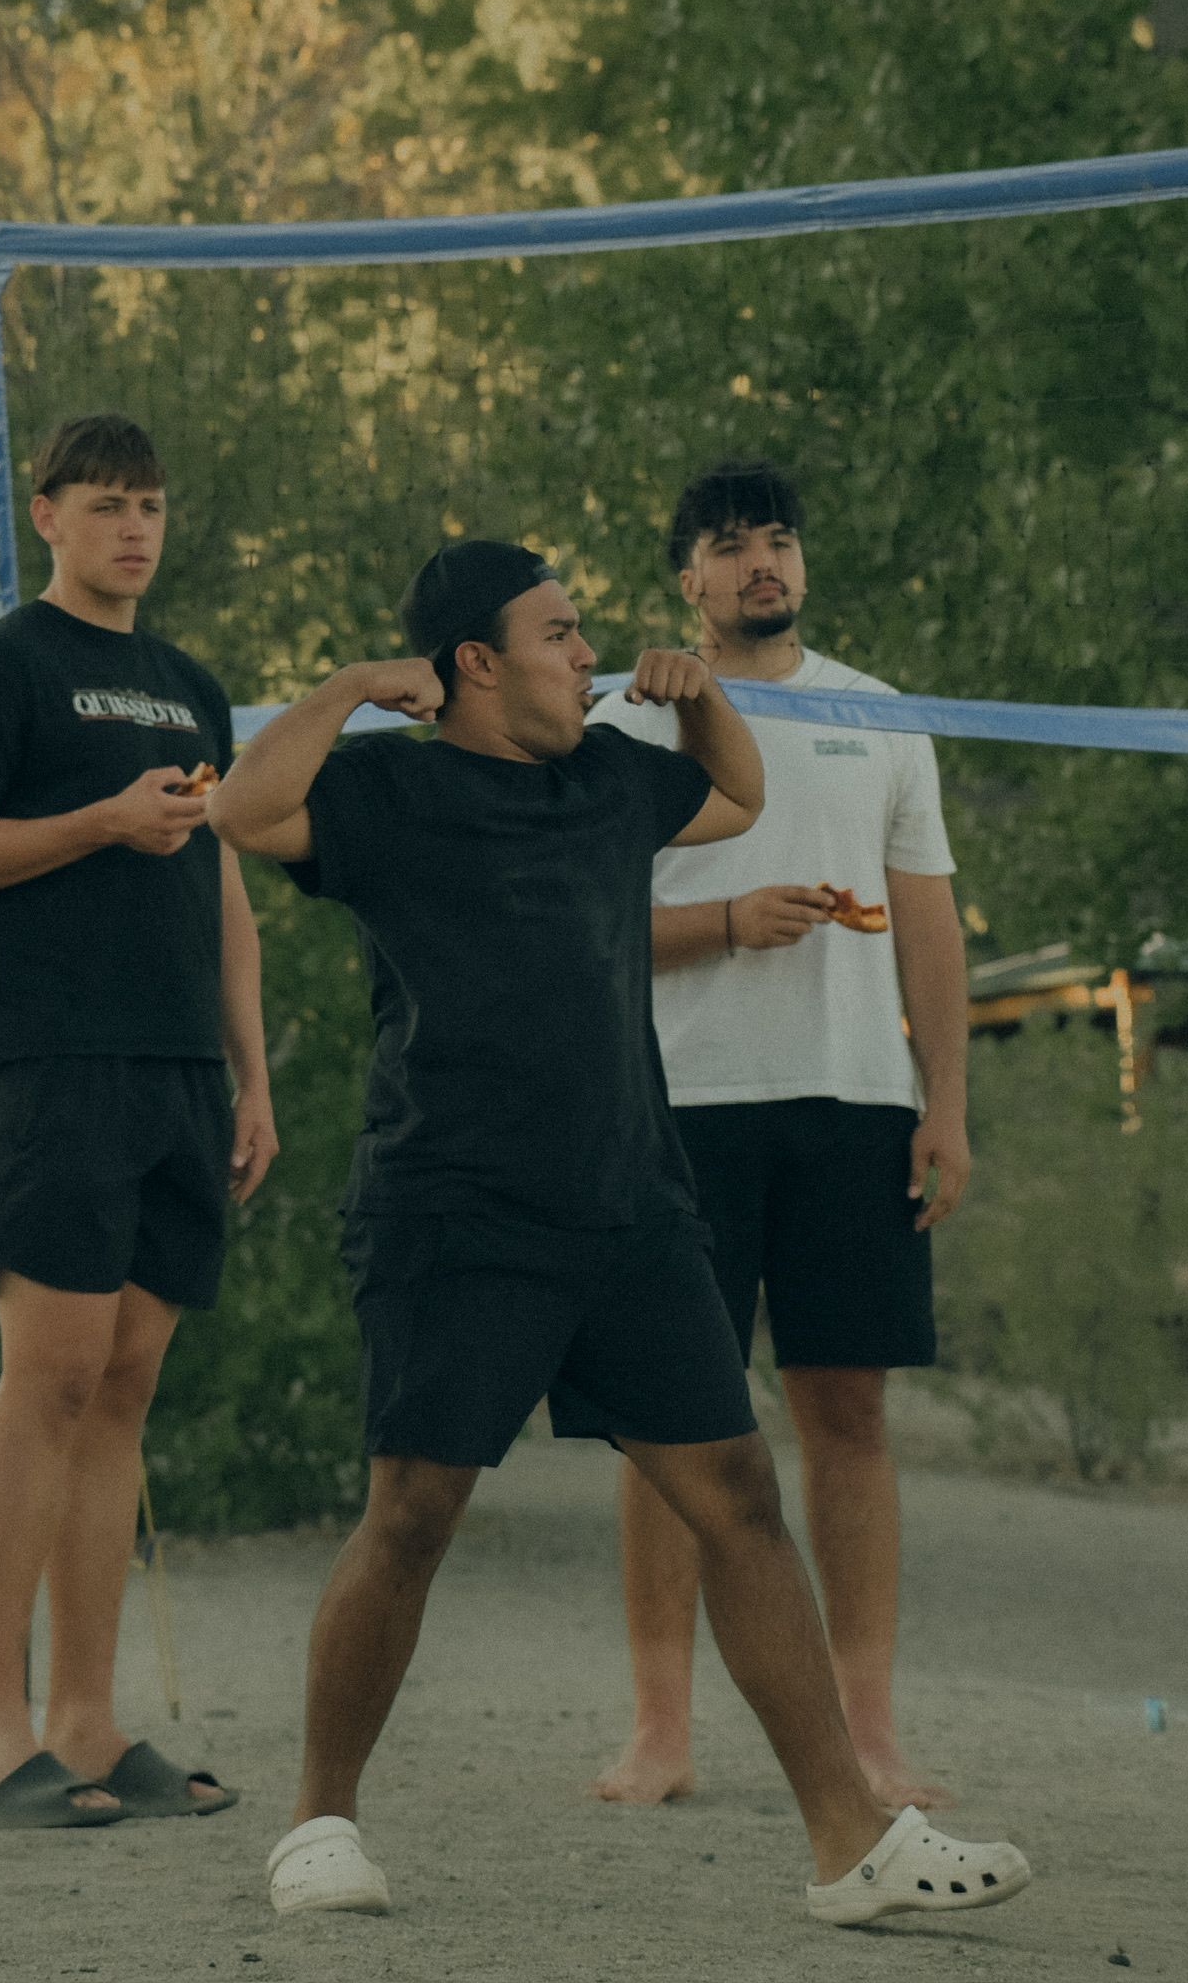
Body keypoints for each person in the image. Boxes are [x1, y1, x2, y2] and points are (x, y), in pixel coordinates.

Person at [205, 538, 1028, 1926]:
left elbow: (740, 793)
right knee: (411, 1516)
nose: (587, 653)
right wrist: (347, 688)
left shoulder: (606, 777)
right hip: (455, 1212)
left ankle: (852, 1843)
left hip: (634, 1211)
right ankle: (318, 1826)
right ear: (476, 663)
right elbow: (241, 809)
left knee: (742, 1500)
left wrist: (700, 697)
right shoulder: (389, 790)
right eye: (559, 633)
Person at [0, 411, 278, 1831]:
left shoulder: (190, 688)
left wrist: (252, 1074)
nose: (135, 527)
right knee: (48, 1377)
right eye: (108, 503)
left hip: (178, 1073)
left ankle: (87, 1722)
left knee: (122, 1386)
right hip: (49, 1062)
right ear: (48, 515)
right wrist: (97, 823)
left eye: (152, 505)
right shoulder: (1, 668)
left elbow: (220, 883)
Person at [587, 460, 967, 1814]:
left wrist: (946, 1105)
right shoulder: (624, 718)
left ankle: (868, 1729)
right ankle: (659, 1730)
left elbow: (927, 920)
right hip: (679, 1107)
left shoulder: (881, 714)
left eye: (780, 541)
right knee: (665, 1426)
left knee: (848, 1414)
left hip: (856, 1102)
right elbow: (581, 926)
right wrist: (728, 926)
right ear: (686, 576)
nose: (763, 563)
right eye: (733, 544)